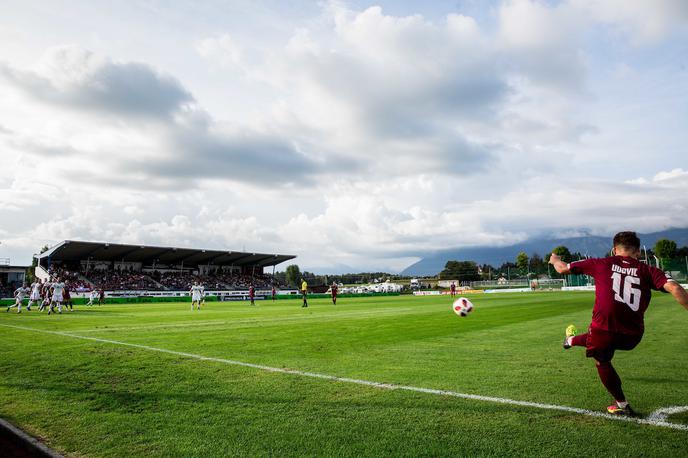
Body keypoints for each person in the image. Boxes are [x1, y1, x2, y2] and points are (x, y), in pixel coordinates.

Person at [550, 231, 688, 416]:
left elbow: (562, 268)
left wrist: (554, 259)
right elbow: (675, 288)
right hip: (633, 336)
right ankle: (570, 340)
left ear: (614, 250)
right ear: (638, 252)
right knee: (597, 340)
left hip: (603, 331)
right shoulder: (649, 270)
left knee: (602, 359)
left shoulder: (601, 263)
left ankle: (622, 405)